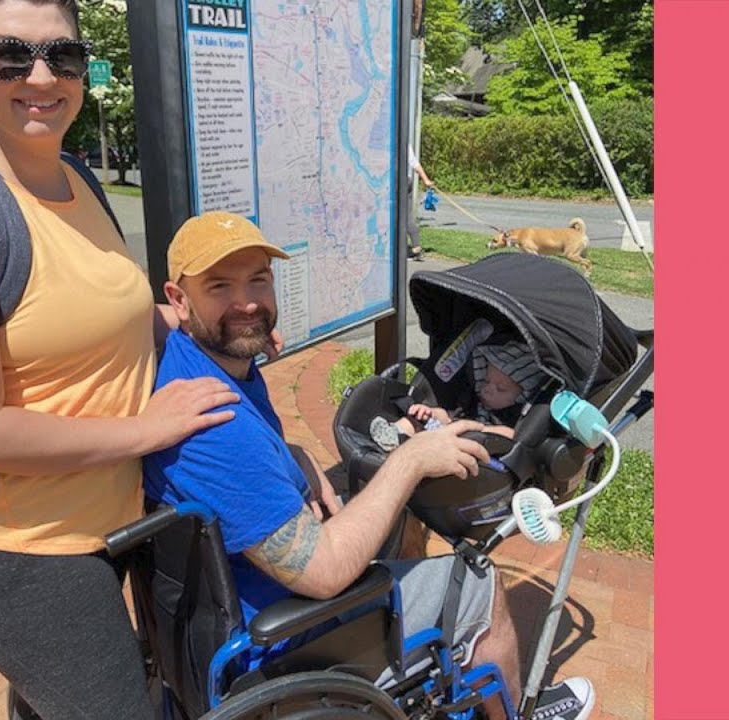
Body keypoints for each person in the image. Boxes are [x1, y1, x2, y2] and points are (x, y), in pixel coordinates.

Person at [0, 2, 258, 717]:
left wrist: (218, 325)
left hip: (104, 520)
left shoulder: (76, 176)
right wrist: (147, 431)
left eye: (64, 57)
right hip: (17, 550)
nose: (42, 76)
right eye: (12, 56)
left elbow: (112, 312)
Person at [143, 212, 596, 720]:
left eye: (258, 280)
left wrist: (293, 455)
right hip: (283, 640)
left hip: (220, 615)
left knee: (380, 517)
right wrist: (410, 460)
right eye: (219, 286)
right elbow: (325, 573)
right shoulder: (218, 425)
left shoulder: (195, 364)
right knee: (478, 581)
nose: (247, 303)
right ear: (178, 300)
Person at [369, 340, 547, 451]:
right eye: (486, 380)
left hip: (471, 452)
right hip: (446, 434)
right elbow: (448, 416)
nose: (488, 389)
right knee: (419, 419)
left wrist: (479, 431)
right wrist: (429, 413)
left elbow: (512, 436)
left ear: (521, 396)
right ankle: (394, 434)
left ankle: (406, 446)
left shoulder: (515, 417)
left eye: (500, 389)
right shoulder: (473, 399)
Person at [406, 144, 435, 260]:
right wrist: (426, 180)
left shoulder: (386, 141)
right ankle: (416, 247)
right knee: (406, 216)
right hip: (407, 180)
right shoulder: (405, 143)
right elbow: (415, 164)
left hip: (395, 181)